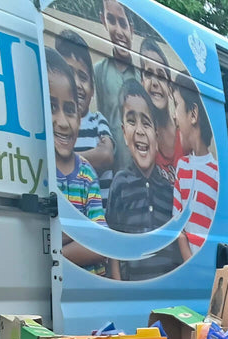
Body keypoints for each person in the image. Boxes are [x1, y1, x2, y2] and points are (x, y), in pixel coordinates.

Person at [106, 80, 181, 280]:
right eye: (132, 121)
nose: (140, 130)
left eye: (146, 123)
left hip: (166, 288)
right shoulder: (120, 184)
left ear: (156, 135)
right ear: (123, 132)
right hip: (134, 290)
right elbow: (113, 244)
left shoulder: (169, 189)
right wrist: (118, 288)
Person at [46, 48, 107, 276]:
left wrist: (56, 256)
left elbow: (100, 243)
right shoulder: (40, 171)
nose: (62, 122)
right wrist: (80, 233)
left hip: (89, 290)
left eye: (69, 110)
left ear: (80, 119)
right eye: (52, 107)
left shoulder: (86, 173)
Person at [54, 30, 115, 206]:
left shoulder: (97, 120)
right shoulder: (54, 124)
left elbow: (106, 155)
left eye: (83, 77)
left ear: (93, 90)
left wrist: (62, 160)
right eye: (69, 73)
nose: (77, 84)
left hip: (98, 217)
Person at [172, 72, 218, 261]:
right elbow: (178, 226)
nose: (174, 116)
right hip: (191, 266)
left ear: (193, 114)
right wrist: (191, 262)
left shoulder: (217, 173)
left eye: (176, 105)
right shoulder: (182, 167)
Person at [94, 0, 138, 174]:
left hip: (140, 180)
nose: (119, 31)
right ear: (103, 21)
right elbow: (101, 123)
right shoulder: (98, 71)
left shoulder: (144, 76)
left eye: (123, 23)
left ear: (131, 28)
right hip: (111, 178)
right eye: (111, 20)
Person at [139, 38, 183, 184]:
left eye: (161, 76)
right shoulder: (140, 139)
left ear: (169, 86)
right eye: (148, 74)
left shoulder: (186, 134)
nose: (155, 83)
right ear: (142, 83)